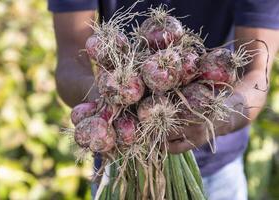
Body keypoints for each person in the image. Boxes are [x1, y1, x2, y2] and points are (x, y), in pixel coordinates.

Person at [48, 1, 279, 199]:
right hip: (119, 161)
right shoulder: (116, 94)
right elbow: (70, 59)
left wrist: (213, 121)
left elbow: (256, 75)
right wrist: (111, 98)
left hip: (217, 171)